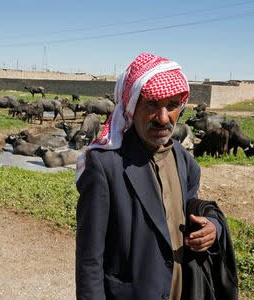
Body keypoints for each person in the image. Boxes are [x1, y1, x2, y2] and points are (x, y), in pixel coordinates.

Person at [75, 53, 238, 300]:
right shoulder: (104, 165)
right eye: (151, 104)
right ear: (131, 106)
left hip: (181, 290)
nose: (163, 118)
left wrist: (212, 228)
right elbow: (89, 259)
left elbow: (188, 208)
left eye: (172, 106)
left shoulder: (184, 159)